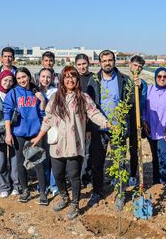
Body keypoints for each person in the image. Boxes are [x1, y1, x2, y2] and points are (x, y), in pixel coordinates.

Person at [30, 66, 109, 219]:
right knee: (58, 173)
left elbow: (94, 113)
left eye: (73, 77)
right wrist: (38, 137)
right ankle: (64, 196)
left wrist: (106, 123)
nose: (70, 80)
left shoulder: (83, 97)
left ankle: (75, 204)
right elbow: (48, 119)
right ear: (62, 80)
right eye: (66, 77)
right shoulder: (55, 98)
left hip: (74, 143)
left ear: (77, 80)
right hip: (57, 144)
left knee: (74, 175)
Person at [86, 50, 132, 210]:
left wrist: (126, 126)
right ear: (100, 63)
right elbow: (88, 106)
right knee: (97, 162)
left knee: (119, 162)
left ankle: (120, 194)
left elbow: (130, 104)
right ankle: (97, 191)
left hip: (117, 129)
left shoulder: (124, 80)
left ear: (114, 61)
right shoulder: (93, 80)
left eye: (110, 60)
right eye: (104, 60)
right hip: (98, 130)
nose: (107, 63)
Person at [3, 67, 48, 204]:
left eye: (24, 77)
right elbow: (7, 113)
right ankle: (25, 190)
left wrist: (43, 101)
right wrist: (8, 133)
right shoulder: (13, 93)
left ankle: (42, 192)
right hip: (19, 134)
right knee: (21, 163)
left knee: (38, 163)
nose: (22, 80)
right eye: (19, 78)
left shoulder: (37, 93)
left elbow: (43, 114)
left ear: (29, 77)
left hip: (35, 133)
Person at [0, 70, 20, 198]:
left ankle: (16, 185)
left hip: (14, 130)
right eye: (5, 80)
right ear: (0, 80)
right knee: (0, 160)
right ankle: (4, 186)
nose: (8, 83)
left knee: (15, 159)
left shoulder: (15, 94)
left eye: (10, 80)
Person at [37, 68, 59, 196]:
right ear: (39, 77)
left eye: (48, 77)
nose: (45, 79)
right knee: (42, 158)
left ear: (52, 78)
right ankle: (43, 184)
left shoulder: (56, 92)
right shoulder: (35, 91)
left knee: (54, 158)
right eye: (43, 76)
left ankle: (54, 184)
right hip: (39, 129)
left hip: (52, 128)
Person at [74, 53, 94, 187]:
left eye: (84, 64)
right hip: (74, 122)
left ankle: (85, 178)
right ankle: (75, 179)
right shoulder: (73, 78)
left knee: (87, 153)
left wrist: (89, 128)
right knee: (75, 152)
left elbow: (94, 106)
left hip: (88, 122)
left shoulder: (94, 79)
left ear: (88, 63)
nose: (82, 67)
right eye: (79, 64)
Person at [127, 55, 147, 187]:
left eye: (140, 67)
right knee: (121, 149)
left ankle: (133, 175)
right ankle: (118, 176)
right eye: (135, 65)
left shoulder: (143, 83)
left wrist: (139, 87)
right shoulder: (123, 80)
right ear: (130, 65)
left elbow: (144, 101)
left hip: (136, 120)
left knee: (134, 149)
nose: (137, 69)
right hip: (123, 119)